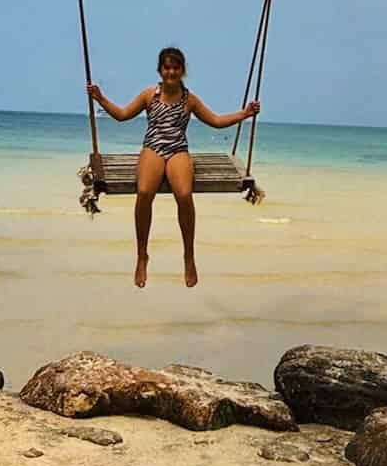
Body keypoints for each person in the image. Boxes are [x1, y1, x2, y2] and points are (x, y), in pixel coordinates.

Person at [87, 46, 259, 289]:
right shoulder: (149, 95)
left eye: (176, 67)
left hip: (178, 149)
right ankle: (142, 256)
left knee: (185, 195)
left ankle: (188, 256)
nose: (171, 72)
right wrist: (100, 98)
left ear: (182, 71)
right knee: (145, 192)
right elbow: (123, 115)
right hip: (153, 147)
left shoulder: (190, 99)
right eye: (167, 67)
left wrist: (245, 114)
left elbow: (217, 121)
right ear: (160, 70)